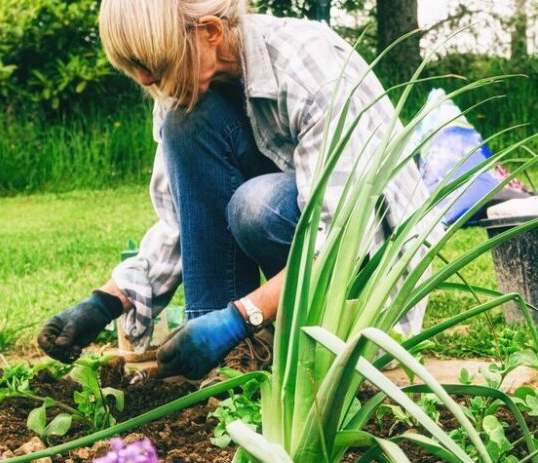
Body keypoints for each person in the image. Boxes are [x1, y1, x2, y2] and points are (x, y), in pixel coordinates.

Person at [37, 0, 430, 378]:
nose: (144, 79)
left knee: (254, 205)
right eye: (135, 67)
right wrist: (105, 302)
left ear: (210, 31)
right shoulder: (183, 81)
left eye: (154, 65)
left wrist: (241, 317)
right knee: (185, 121)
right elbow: (181, 225)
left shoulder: (312, 70)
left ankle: (259, 333)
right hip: (299, 258)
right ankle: (227, 362)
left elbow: (344, 241)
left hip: (371, 277)